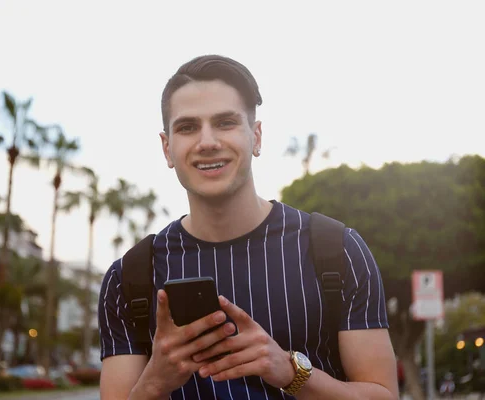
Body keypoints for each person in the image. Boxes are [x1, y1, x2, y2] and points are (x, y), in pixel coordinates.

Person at [98, 54, 398, 399]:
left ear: (256, 137)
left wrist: (290, 371)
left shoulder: (337, 250)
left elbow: (384, 394)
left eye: (225, 123)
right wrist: (156, 380)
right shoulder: (130, 277)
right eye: (187, 127)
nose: (207, 141)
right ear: (167, 149)